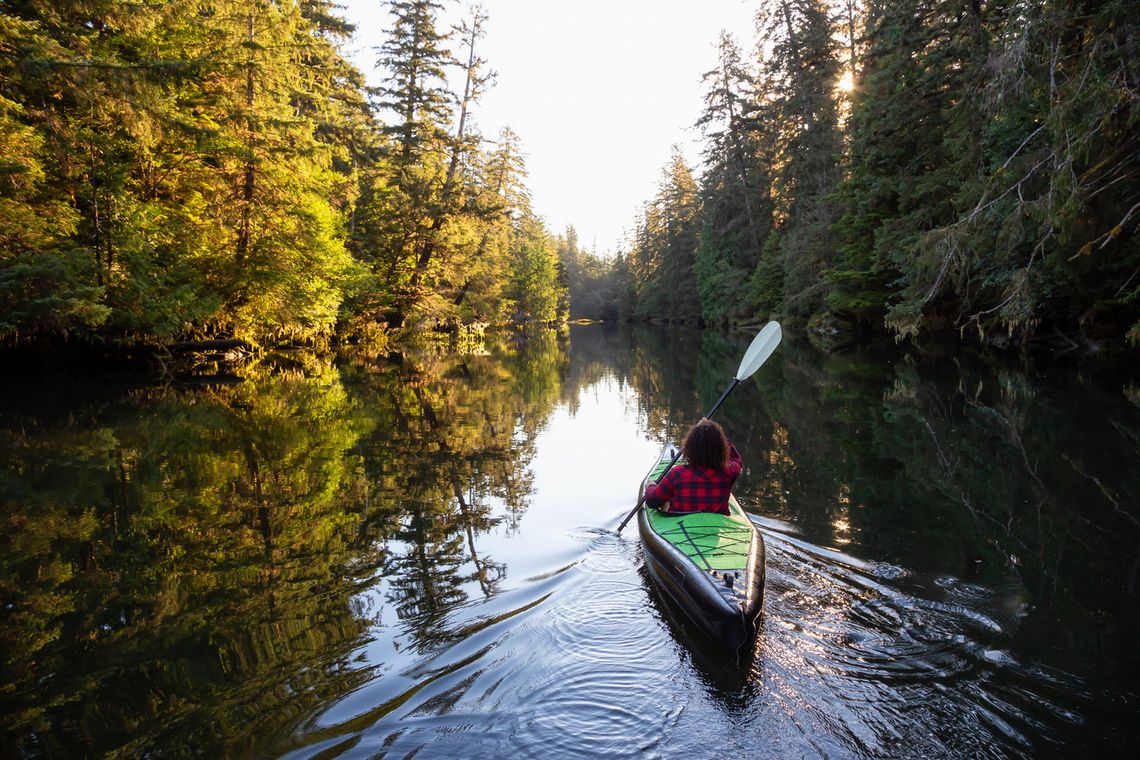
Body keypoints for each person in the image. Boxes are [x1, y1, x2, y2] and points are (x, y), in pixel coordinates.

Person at [644, 419, 742, 515]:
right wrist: (716, 436)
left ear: (690, 447)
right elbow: (736, 459)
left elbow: (652, 501)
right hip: (716, 527)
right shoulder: (728, 472)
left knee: (666, 500)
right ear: (722, 448)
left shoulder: (677, 473)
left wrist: (651, 485)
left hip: (680, 524)